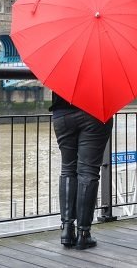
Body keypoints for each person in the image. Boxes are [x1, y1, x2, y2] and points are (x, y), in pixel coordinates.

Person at [50, 92, 113, 250]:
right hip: (95, 113)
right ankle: (83, 234)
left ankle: (66, 229)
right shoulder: (105, 66)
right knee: (89, 172)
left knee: (67, 169)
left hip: (62, 113)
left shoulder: (61, 65)